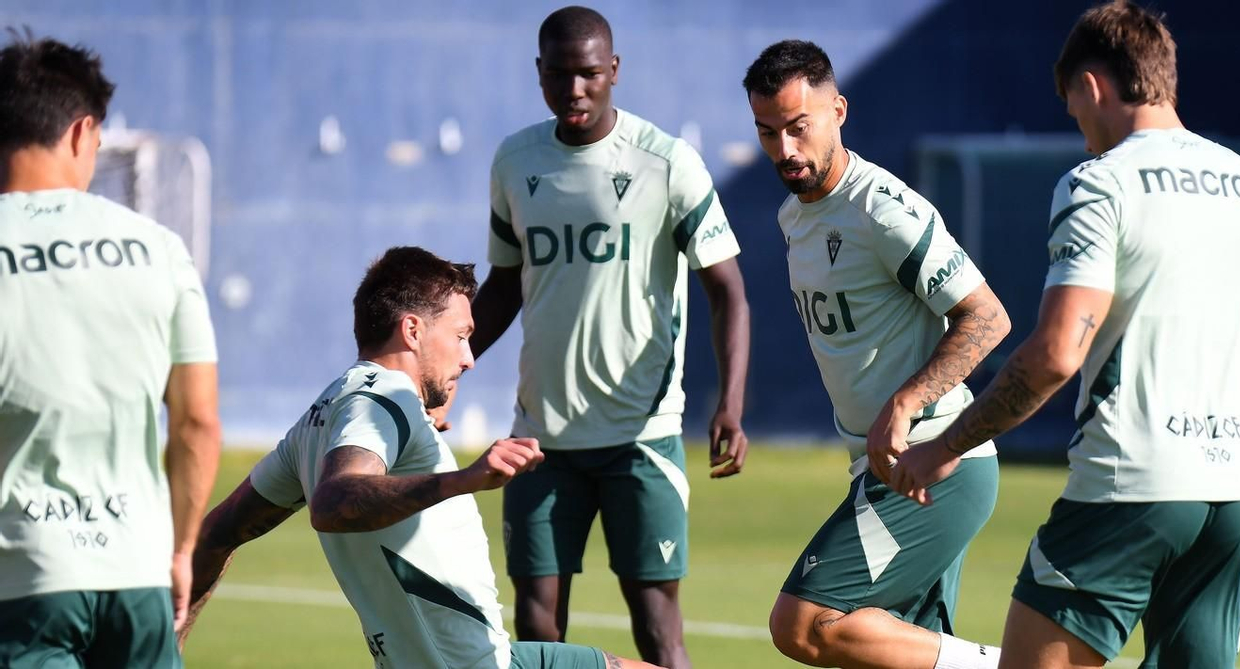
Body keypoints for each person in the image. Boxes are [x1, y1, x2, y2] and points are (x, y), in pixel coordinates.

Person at [891, 3, 1240, 668]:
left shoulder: (1100, 183)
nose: (1082, 137)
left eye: (1074, 110)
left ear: (1091, 85)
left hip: (1128, 488)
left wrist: (946, 445)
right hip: (1227, 497)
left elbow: (1056, 354)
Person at [179, 246, 659, 669]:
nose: (469, 358)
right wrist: (463, 479)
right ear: (412, 330)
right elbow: (333, 501)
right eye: (461, 335)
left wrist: (165, 649)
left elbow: (215, 535)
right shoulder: (386, 400)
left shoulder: (323, 414)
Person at [468, 7, 750, 666]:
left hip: (640, 435)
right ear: (539, 73)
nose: (575, 89)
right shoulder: (514, 161)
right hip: (540, 436)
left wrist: (731, 403)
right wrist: (447, 372)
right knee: (536, 629)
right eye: (559, 74)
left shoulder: (667, 162)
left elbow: (728, 291)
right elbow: (504, 286)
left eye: (590, 73)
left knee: (657, 628)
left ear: (614, 70)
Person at [743, 40, 1011, 669]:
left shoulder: (883, 210)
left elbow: (988, 317)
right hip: (882, 468)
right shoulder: (793, 216)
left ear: (838, 111)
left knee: (802, 623)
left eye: (798, 127)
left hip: (935, 463)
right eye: (767, 132)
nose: (784, 149)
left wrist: (906, 402)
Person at [0, 32, 220, 667]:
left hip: (22, 578)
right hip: (136, 574)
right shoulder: (160, 248)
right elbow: (197, 422)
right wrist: (181, 551)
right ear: (82, 132)